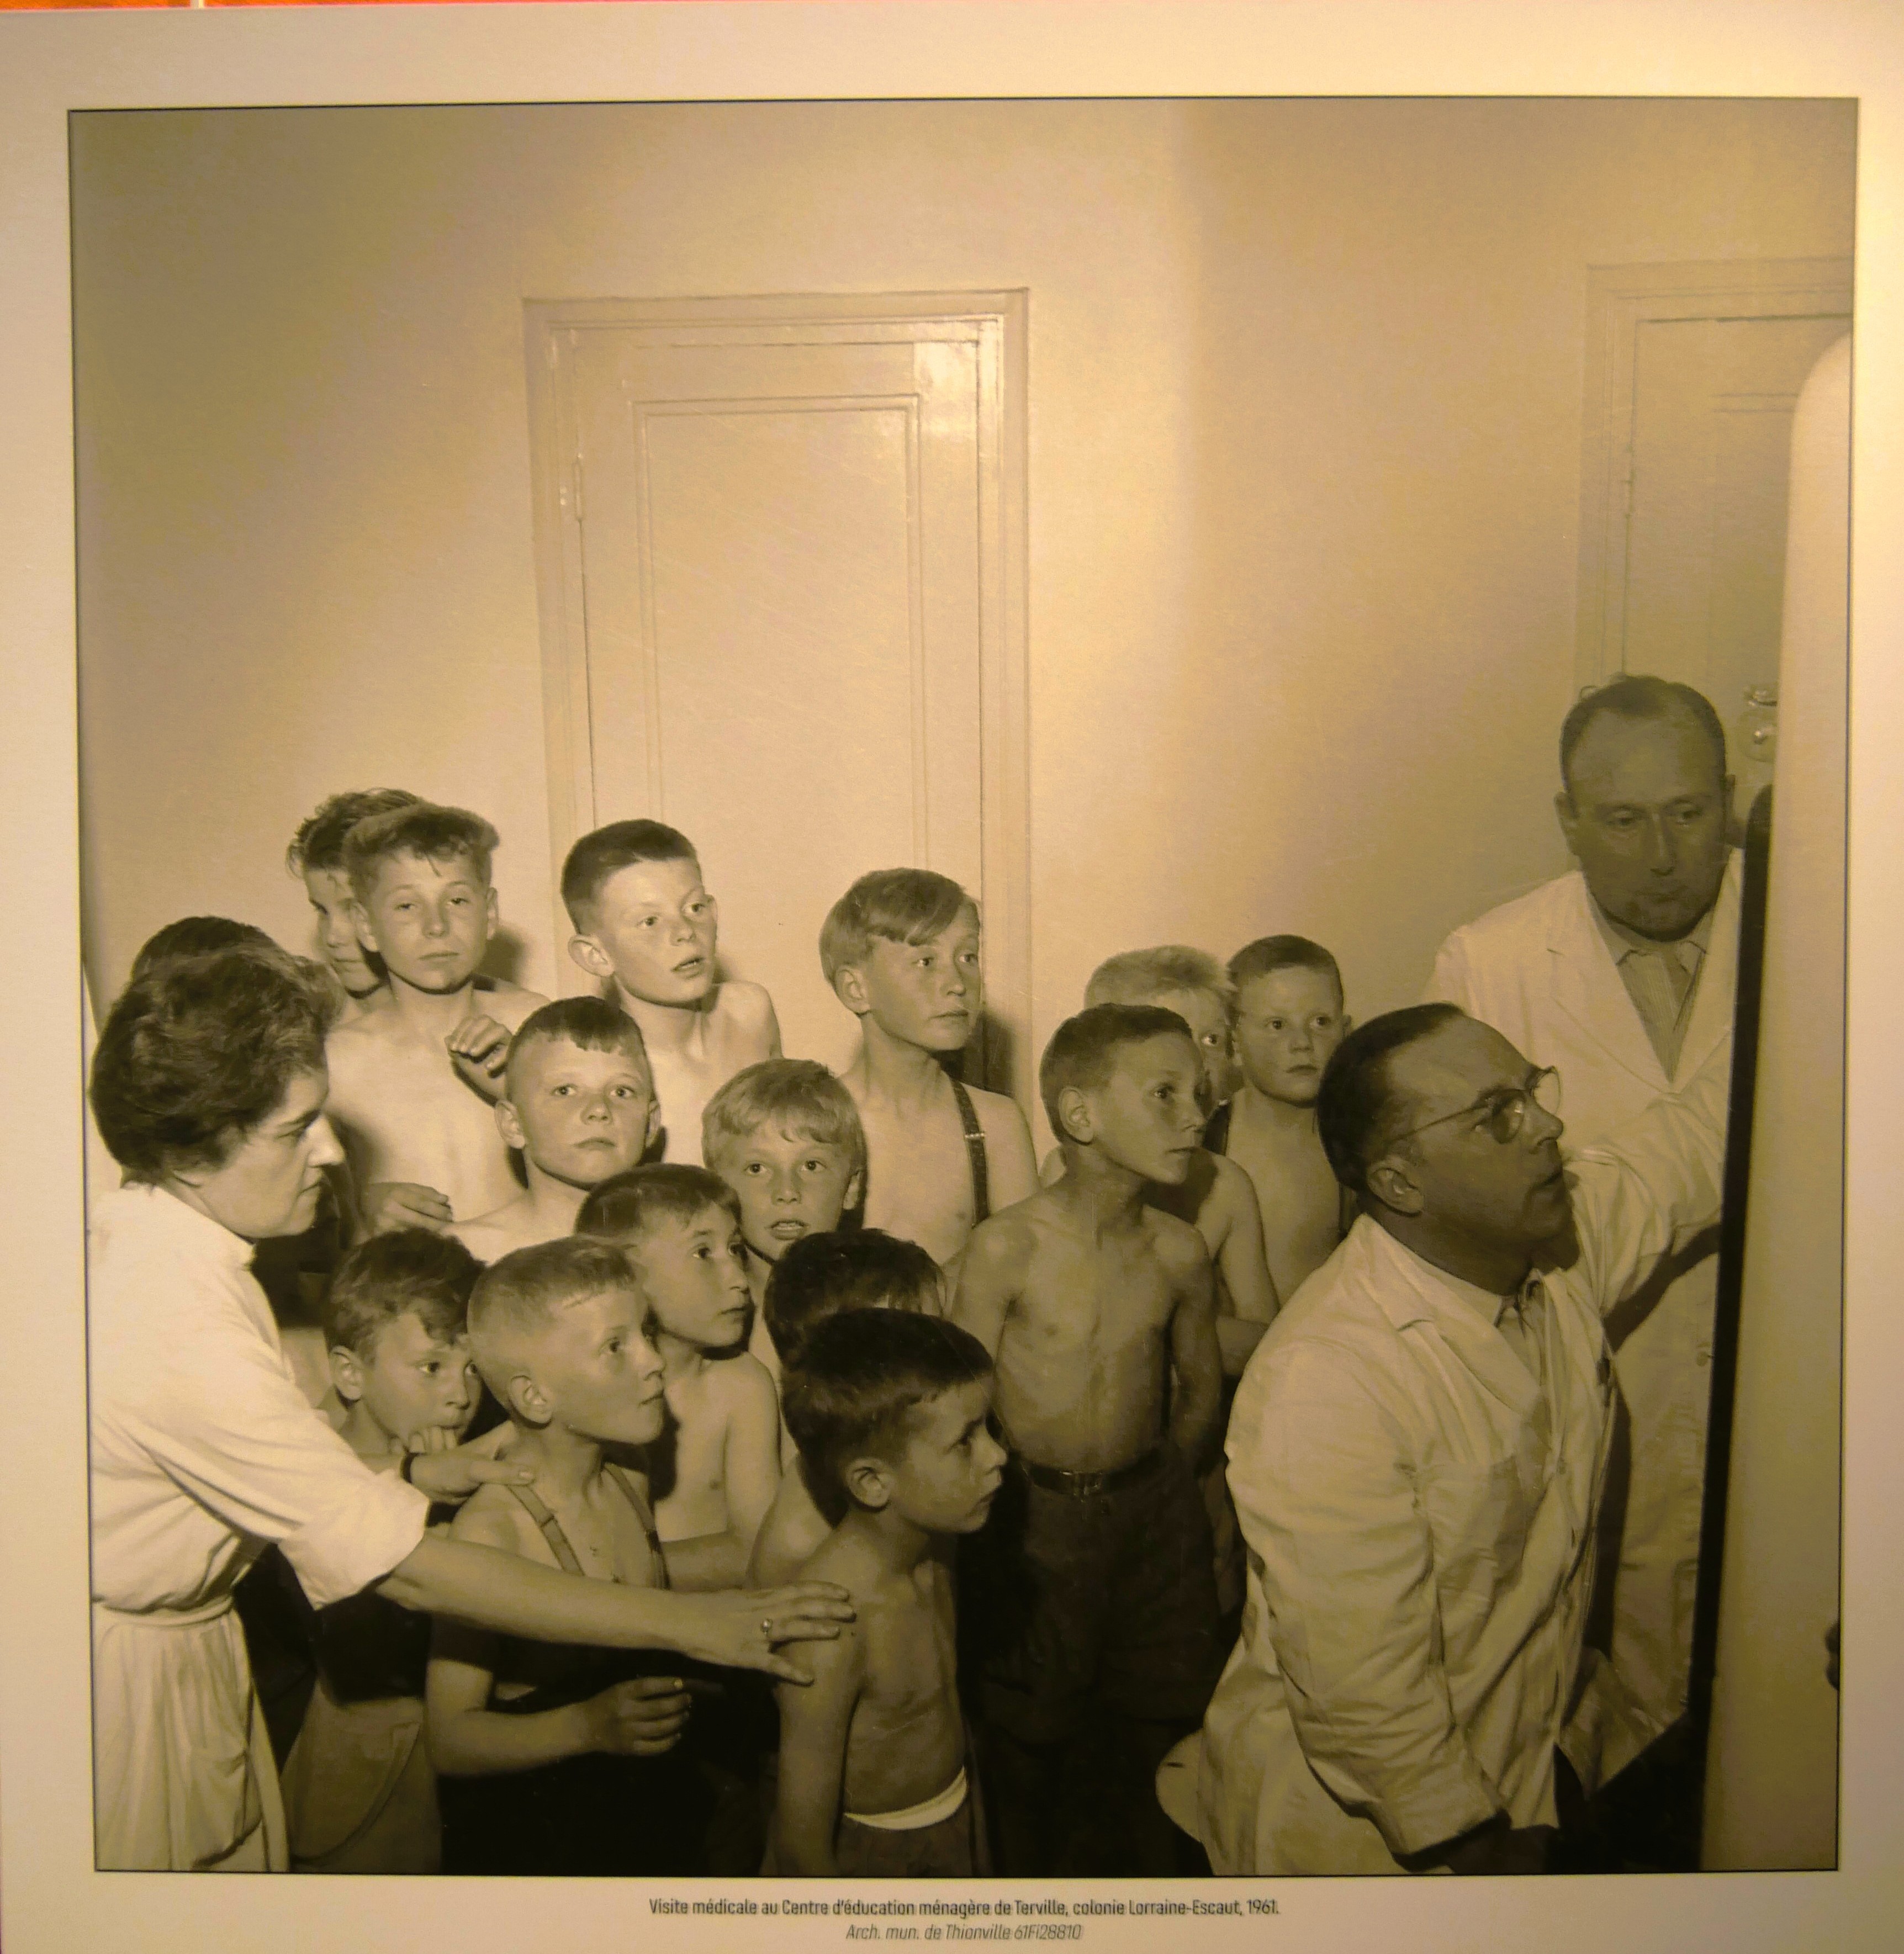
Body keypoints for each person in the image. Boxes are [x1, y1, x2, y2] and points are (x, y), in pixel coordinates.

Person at [86, 944, 853, 1871]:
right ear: (192, 1145)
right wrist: (698, 1622)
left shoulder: (181, 1248)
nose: (330, 1150)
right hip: (133, 1695)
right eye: (294, 1130)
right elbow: (408, 1571)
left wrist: (414, 1468)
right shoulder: (172, 1316)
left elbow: (239, 1470)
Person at [1197, 1004, 1727, 1876]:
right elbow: (1362, 1690)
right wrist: (1476, 1847)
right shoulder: (1325, 1377)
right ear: (1401, 1182)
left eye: (1532, 1090)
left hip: (1527, 1758)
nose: (1549, 1125)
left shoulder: (1548, 1247)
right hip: (1376, 1841)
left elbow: (1687, 1144)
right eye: (1498, 1115)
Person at [1425, 675, 1740, 1752]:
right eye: (1621, 819)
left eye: (1687, 812)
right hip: (1588, 1388)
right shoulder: (1490, 962)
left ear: (1729, 797)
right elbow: (1460, 1231)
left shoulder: (1831, 928)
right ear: (1566, 818)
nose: (1661, 855)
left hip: (1783, 1401)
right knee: (1582, 1710)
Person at [952, 1003, 1224, 1874]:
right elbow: (958, 1408)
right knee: (1030, 1740)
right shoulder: (1006, 1247)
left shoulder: (1180, 1250)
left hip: (1153, 1519)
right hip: (1033, 1525)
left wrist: (1160, 1490)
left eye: (1200, 1093)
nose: (1195, 1115)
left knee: (1161, 1733)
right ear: (1080, 1114)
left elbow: (1200, 1388)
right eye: (1165, 1093)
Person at [426, 1238, 717, 1875]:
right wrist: (586, 1726)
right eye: (616, 1346)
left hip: (644, 1816)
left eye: (645, 1332)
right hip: (544, 1844)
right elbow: (449, 1739)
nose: (653, 1362)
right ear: (535, 1397)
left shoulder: (629, 1472)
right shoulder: (492, 1532)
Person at [1062, 947, 1278, 1628]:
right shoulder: (1062, 1185)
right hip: (1090, 1465)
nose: (1201, 1069)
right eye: (1175, 1047)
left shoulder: (1224, 1184)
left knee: (1201, 1604)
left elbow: (1269, 1342)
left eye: (1212, 1041)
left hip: (1198, 1454)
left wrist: (1167, 1333)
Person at [770, 1310, 1004, 1876]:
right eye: (966, 1441)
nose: (997, 1454)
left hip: (957, 1808)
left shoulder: (937, 1544)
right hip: (878, 1859)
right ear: (873, 1481)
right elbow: (800, 1847)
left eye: (989, 1428)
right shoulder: (830, 1625)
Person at [278, 1227, 483, 1872]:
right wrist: (417, 1484)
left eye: (473, 1367)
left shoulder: (474, 1453)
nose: (459, 1393)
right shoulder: (316, 1463)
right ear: (349, 1372)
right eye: (432, 1366)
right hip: (367, 1765)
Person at [322, 802, 548, 1230]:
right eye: (407, 906)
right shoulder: (337, 1062)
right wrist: (361, 1206)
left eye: (457, 900)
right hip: (411, 1271)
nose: (437, 926)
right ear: (366, 926)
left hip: (537, 1267)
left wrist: (527, 1086)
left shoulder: (538, 1025)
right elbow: (311, 1218)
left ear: (490, 913)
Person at [576, 1166, 781, 1590]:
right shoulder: (584, 1388)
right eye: (703, 1253)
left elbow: (759, 1551)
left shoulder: (742, 1384)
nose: (738, 1279)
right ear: (628, 1275)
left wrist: (616, 1572)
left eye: (735, 1249)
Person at [821, 867, 1037, 1270]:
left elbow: (1023, 1279)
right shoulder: (815, 1121)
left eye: (968, 957)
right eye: (926, 961)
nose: (957, 983)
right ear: (856, 989)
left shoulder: (995, 1125)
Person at [560, 819, 780, 1164]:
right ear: (596, 955)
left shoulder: (750, 1011)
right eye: (650, 921)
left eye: (695, 908)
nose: (685, 932)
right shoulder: (606, 1078)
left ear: (714, 912)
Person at [747, 1229, 946, 1588]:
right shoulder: (807, 1554)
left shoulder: (893, 1455)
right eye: (914, 1343)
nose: (942, 1354)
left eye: (939, 1332)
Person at [701, 1057, 868, 1408]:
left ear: (852, 1186)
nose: (787, 1191)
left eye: (811, 1166)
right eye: (757, 1168)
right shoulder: (701, 1322)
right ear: (719, 1189)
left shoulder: (877, 1310)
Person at [452, 997, 657, 1262]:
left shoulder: (680, 1254)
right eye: (565, 1091)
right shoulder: (466, 1255)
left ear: (651, 1124)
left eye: (622, 1092)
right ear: (513, 1124)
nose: (599, 1109)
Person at [1214, 934, 1353, 1305]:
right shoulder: (1205, 1146)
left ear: (1346, 1031)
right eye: (1277, 1025)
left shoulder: (1361, 1146)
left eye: (1321, 1022)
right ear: (1234, 1042)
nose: (1302, 1042)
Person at [285, 788, 422, 1015]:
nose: (332, 938)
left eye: (354, 910)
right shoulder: (309, 1023)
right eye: (322, 911)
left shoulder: (486, 1015)